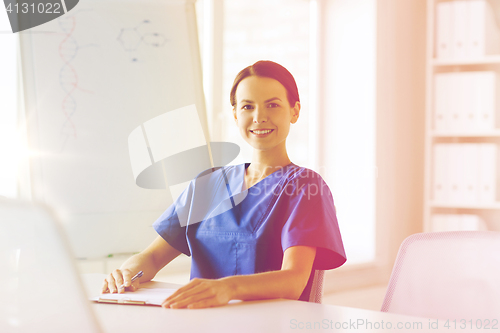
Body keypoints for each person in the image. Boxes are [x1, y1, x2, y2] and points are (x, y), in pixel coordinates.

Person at [102, 60, 346, 309]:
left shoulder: (306, 187)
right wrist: (127, 273)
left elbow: (294, 281)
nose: (259, 117)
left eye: (272, 105)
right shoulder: (207, 185)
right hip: (200, 323)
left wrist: (226, 288)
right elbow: (152, 257)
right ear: (235, 114)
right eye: (247, 107)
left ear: (294, 111)